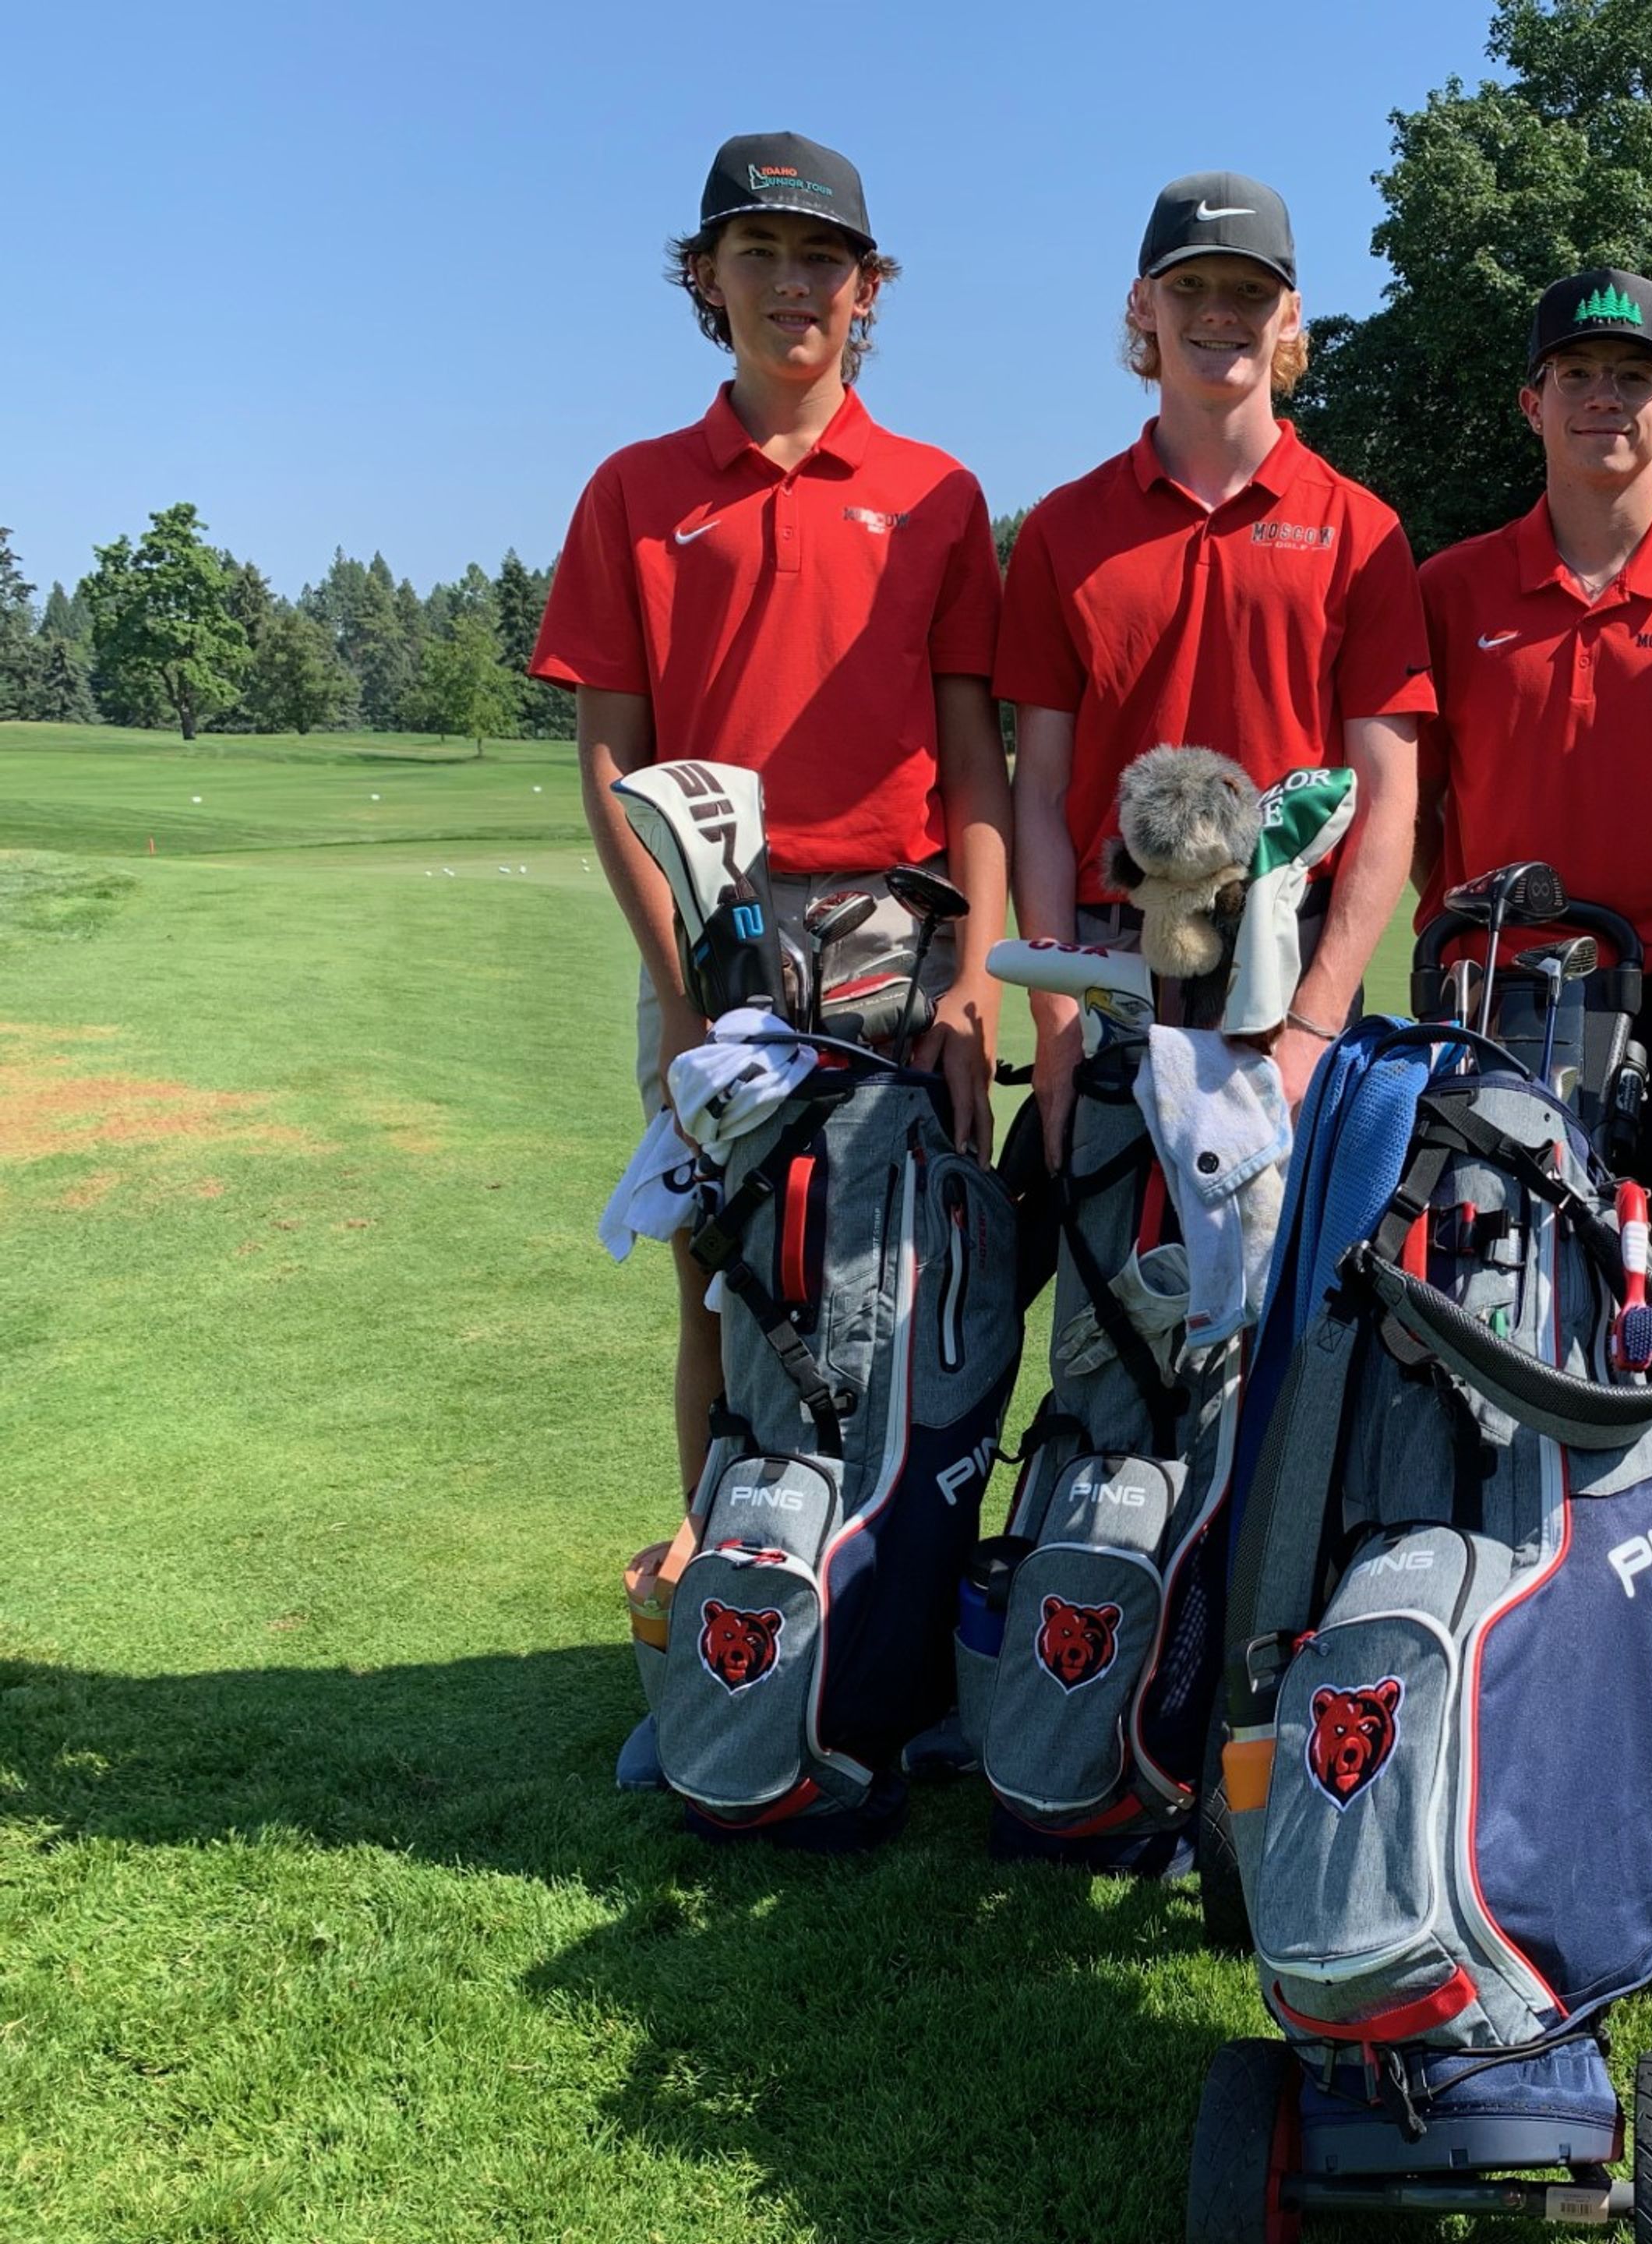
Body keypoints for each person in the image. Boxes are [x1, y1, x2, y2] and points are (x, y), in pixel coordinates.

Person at [530, 133, 1013, 1779]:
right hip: (713, 931)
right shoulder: (635, 493)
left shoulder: (937, 494)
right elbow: (611, 759)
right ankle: (727, 1639)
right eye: (761, 257)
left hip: (890, 928)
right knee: (721, 1279)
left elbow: (976, 757)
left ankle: (898, 1642)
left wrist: (977, 970)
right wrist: (676, 986)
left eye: (826, 262)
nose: (795, 288)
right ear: (707, 281)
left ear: (867, 292)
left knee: (906, 1295)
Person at [997, 171, 1434, 1154]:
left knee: (1280, 1298)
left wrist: (1318, 1022)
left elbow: (1388, 796)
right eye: (1190, 288)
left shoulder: (1362, 532)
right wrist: (1057, 1019)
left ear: (1291, 316)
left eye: (1248, 290)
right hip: (1111, 953)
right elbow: (1043, 795)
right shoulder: (1064, 531)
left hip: (1290, 951)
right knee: (1109, 1291)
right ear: (1142, 305)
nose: (1219, 315)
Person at [1412, 269, 1652, 1302]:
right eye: (1575, 372)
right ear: (1531, 403)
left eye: (1632, 377)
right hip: (1484, 1004)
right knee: (1475, 1305)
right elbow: (1412, 804)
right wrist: (1467, 910)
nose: (1602, 397)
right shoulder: (1450, 591)